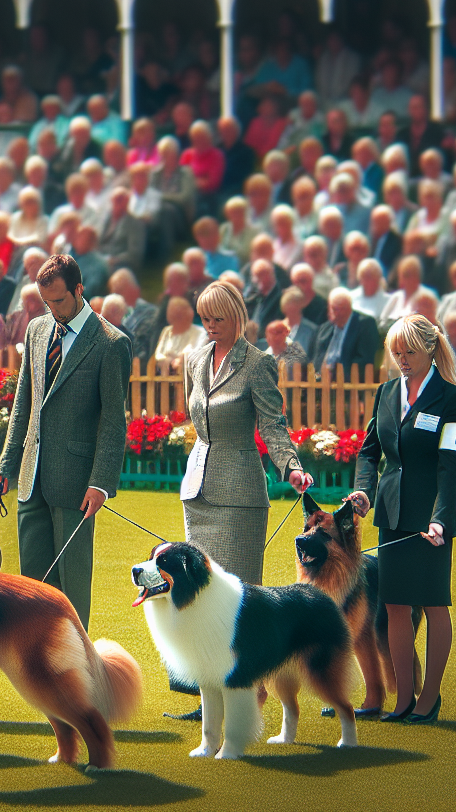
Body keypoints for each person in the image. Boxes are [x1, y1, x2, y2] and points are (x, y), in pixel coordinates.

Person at [171, 279, 311, 716]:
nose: (210, 326)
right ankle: (210, 696)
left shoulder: (258, 363)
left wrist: (290, 466)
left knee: (239, 601)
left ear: (237, 318)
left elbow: (273, 424)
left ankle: (249, 691)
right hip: (198, 490)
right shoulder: (194, 359)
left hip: (241, 494)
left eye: (219, 319)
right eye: (205, 319)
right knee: (203, 599)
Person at [0, 255, 128, 629]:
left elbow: (114, 422)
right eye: (46, 302)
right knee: (31, 585)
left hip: (77, 483)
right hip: (29, 475)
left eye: (60, 301)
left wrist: (101, 483)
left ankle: (76, 663)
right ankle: (36, 660)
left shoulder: (111, 343)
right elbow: (25, 403)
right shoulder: (36, 330)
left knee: (71, 585)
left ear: (79, 290)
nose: (53, 310)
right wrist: (7, 463)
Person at [347, 314, 456, 725]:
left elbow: (449, 466)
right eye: (395, 352)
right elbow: (368, 452)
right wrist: (364, 489)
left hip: (432, 519)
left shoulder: (454, 399)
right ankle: (402, 699)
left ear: (430, 349)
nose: (401, 359)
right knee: (395, 605)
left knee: (434, 604)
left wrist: (440, 519)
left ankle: (429, 699)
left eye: (409, 352)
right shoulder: (385, 393)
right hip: (391, 513)